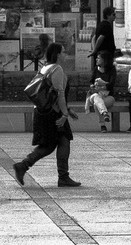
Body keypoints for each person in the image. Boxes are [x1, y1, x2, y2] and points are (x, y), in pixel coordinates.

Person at [12, 42, 79, 189]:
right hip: (53, 113)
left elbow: (50, 95)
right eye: (63, 52)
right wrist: (64, 114)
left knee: (51, 144)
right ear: (57, 54)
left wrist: (67, 109)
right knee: (62, 140)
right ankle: (62, 177)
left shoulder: (45, 68)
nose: (65, 54)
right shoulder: (57, 69)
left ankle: (24, 166)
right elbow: (59, 94)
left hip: (43, 111)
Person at [91, 6, 116, 86]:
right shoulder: (106, 25)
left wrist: (94, 49)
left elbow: (95, 37)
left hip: (103, 53)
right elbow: (100, 38)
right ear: (108, 15)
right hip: (105, 54)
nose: (115, 16)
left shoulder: (101, 24)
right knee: (105, 71)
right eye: (113, 14)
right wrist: (95, 50)